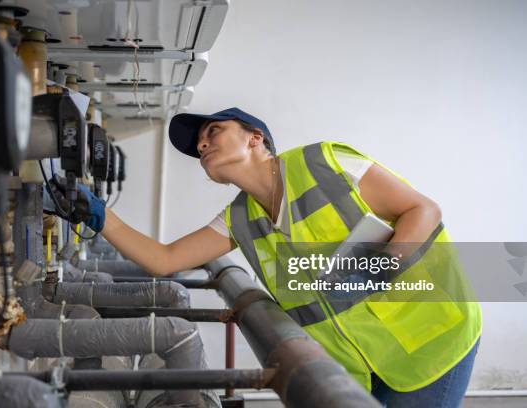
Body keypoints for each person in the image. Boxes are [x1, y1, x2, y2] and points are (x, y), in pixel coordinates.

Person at [46, 107, 481, 408]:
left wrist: (380, 267)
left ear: (256, 139)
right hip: (358, 365)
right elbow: (164, 260)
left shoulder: (324, 161)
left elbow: (423, 210)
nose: (202, 144)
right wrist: (101, 216)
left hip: (432, 339)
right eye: (199, 144)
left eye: (212, 132)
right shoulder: (240, 216)